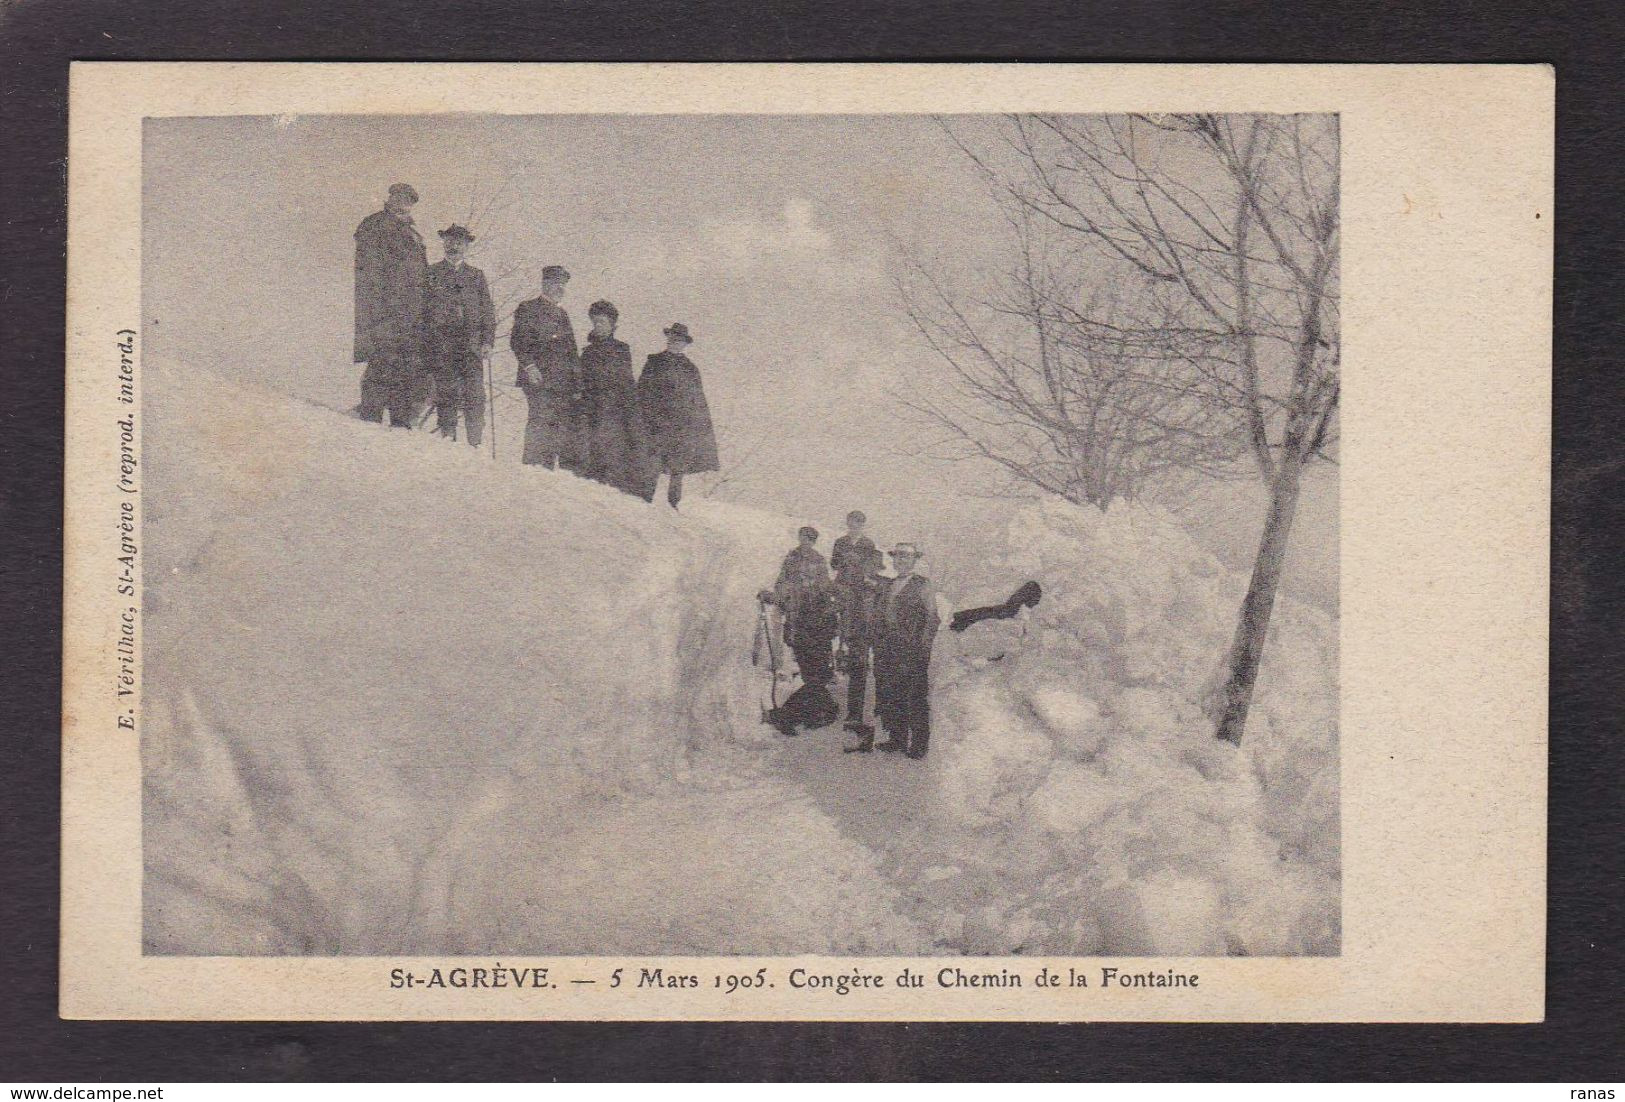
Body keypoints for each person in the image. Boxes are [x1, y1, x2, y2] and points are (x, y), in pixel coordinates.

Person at [353, 183, 428, 427]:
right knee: (381, 362)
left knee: (406, 367)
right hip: (385, 311)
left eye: (408, 200)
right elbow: (371, 273)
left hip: (411, 313)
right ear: (390, 198)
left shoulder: (413, 233)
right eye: (399, 198)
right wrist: (379, 312)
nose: (403, 203)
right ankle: (369, 420)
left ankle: (400, 423)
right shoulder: (375, 225)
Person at [422, 225, 495, 446]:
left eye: (459, 243)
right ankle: (448, 442)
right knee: (447, 394)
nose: (454, 246)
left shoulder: (476, 276)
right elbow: (423, 313)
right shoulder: (431, 273)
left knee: (475, 396)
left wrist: (487, 341)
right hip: (443, 347)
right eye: (450, 242)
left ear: (466, 247)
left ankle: (475, 444)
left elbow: (487, 312)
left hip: (471, 347)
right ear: (444, 244)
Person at [634, 323, 719, 508]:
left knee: (677, 468)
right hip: (656, 422)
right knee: (652, 464)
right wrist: (647, 416)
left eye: (679, 341)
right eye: (672, 339)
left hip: (681, 426)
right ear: (668, 340)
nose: (675, 343)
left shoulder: (691, 369)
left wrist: (694, 425)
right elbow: (642, 390)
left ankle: (674, 505)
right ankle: (644, 502)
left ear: (685, 344)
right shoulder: (655, 362)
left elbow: (697, 399)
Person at [765, 528, 839, 737]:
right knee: (813, 675)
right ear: (800, 539)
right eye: (804, 538)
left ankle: (802, 714)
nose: (806, 542)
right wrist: (775, 598)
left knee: (818, 675)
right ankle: (798, 714)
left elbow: (826, 589)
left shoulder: (819, 561)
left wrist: (831, 611)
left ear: (814, 542)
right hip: (798, 624)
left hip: (819, 625)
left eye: (810, 540)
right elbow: (781, 586)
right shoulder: (791, 558)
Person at [872, 542, 940, 760]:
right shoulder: (889, 585)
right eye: (897, 558)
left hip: (912, 650)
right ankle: (897, 738)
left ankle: (919, 744)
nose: (900, 561)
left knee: (915, 696)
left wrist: (924, 648)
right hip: (888, 649)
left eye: (906, 558)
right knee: (891, 694)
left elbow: (931, 619)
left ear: (914, 561)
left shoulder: (923, 585)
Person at [511, 266, 582, 470]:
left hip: (561, 382)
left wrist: (577, 384)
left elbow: (572, 352)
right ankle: (532, 468)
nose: (560, 288)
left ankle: (547, 471)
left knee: (555, 425)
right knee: (539, 419)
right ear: (545, 284)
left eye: (563, 284)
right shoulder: (528, 308)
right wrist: (529, 367)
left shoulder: (562, 315)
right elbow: (518, 341)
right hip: (537, 377)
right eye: (555, 282)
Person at [577, 300, 647, 494]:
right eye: (596, 322)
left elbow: (627, 382)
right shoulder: (587, 352)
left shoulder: (621, 349)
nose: (598, 326)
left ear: (612, 326)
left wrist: (630, 412)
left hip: (613, 411)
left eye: (603, 322)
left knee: (613, 456)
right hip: (590, 410)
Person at [830, 513, 885, 751]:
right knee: (857, 666)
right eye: (851, 522)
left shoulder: (869, 549)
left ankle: (877, 718)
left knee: (871, 667)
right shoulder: (841, 543)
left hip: (867, 626)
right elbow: (834, 566)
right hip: (851, 615)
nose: (854, 526)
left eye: (859, 523)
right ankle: (854, 716)